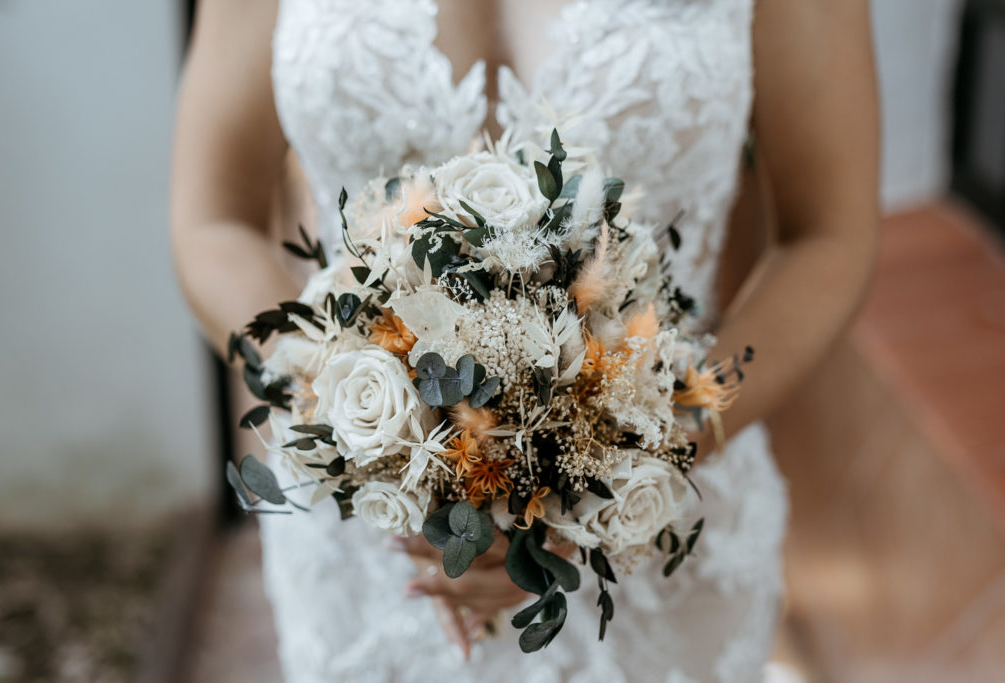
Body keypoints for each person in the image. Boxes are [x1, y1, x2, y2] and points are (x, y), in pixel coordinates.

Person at [170, 1, 879, 680]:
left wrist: (619, 466)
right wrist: (372, 439)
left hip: (659, 531)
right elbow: (214, 216)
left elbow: (828, 235)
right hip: (374, 546)